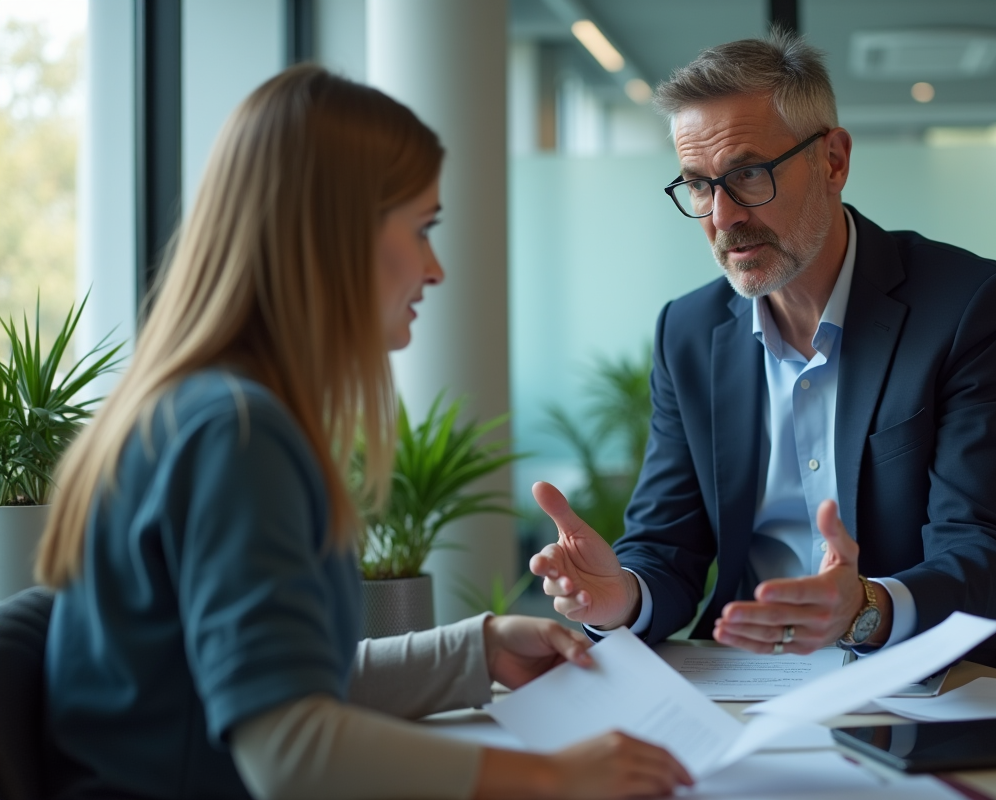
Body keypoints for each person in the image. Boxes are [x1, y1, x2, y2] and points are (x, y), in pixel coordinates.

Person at [36, 65, 692, 800]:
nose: (436, 268)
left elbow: (266, 686)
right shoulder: (239, 436)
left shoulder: (203, 409)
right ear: (332, 236)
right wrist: (547, 777)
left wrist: (474, 651)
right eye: (421, 228)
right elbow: (288, 749)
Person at [530, 31, 996, 691]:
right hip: (750, 680)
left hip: (947, 681)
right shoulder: (687, 332)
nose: (722, 217)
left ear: (833, 161)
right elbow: (668, 549)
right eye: (698, 185)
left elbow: (985, 554)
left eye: (748, 174)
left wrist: (865, 608)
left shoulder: (970, 307)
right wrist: (621, 599)